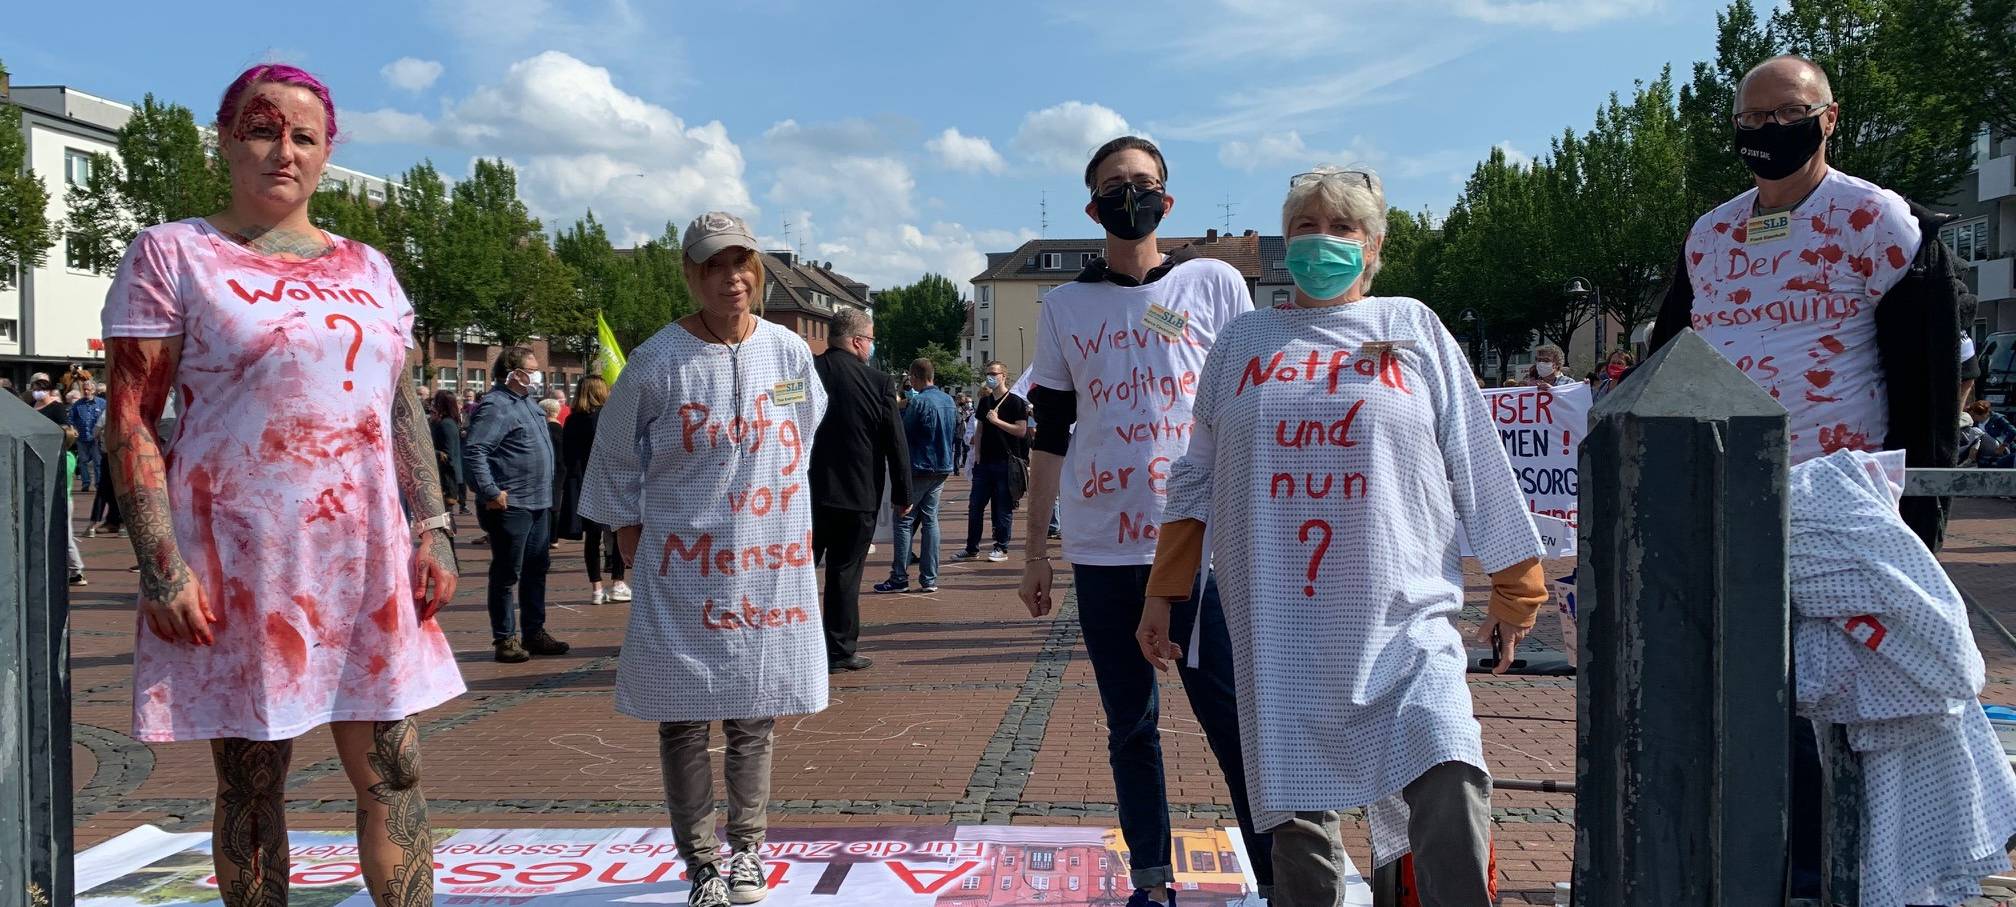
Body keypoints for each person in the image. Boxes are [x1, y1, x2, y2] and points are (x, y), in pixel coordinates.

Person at [100, 63, 462, 905]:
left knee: (395, 773)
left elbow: (399, 401)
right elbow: (130, 418)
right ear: (227, 139)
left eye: (304, 136)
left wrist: (434, 523)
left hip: (365, 560)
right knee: (255, 782)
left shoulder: (369, 267)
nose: (283, 151)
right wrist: (160, 562)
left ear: (329, 151)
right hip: (243, 562)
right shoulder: (173, 253)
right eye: (263, 129)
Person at [1136, 165, 1545, 905]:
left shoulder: (1412, 327)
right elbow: (1194, 475)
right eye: (1304, 228)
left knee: (1450, 773)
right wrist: (1165, 589)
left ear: (1374, 244)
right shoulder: (1241, 342)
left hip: (1403, 616)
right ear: (1280, 245)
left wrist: (1518, 586)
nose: (1321, 242)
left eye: (1341, 228)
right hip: (1281, 621)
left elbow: (1476, 455)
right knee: (1300, 828)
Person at [1649, 54, 1974, 899]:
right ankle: (1768, 864)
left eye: (1784, 114)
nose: (1766, 132)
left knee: (1848, 692)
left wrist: (1922, 512)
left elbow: (1927, 379)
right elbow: (1666, 361)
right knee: (1749, 684)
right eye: (1749, 121)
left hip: (1843, 501)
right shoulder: (1709, 236)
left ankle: (1841, 870)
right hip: (1727, 501)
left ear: (1828, 118)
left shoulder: (1881, 223)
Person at [1016, 136, 1274, 906]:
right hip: (1100, 547)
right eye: (1115, 184)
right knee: (1130, 725)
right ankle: (1152, 880)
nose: (1132, 193)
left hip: (1198, 544)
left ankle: (1277, 875)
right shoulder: (1064, 307)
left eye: (1145, 181)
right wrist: (1037, 551)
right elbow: (1051, 432)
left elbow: (1248, 408)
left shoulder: (1216, 284)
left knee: (1232, 721)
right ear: (1092, 206)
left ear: (1168, 196)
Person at [580, 211, 829, 907]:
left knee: (756, 712)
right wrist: (637, 555)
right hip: (683, 575)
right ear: (691, 275)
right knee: (684, 718)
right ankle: (701, 862)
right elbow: (615, 466)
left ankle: (747, 849)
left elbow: (800, 436)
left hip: (766, 566)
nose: (732, 278)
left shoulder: (789, 354)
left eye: (742, 262)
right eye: (714, 265)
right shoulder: (656, 363)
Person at [809, 307, 910, 672]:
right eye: (870, 339)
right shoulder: (878, 382)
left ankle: (792, 644)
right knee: (845, 574)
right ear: (856, 341)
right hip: (858, 495)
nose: (871, 346)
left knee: (796, 574)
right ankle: (839, 650)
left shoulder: (806, 374)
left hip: (806, 495)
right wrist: (903, 493)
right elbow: (894, 442)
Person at [466, 346, 571, 663]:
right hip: (512, 505)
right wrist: (490, 491)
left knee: (536, 569)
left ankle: (534, 632)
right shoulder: (496, 406)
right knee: (506, 573)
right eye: (531, 368)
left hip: (539, 502)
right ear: (512, 373)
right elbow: (475, 451)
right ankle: (505, 638)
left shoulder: (528, 404)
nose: (537, 374)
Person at [875, 359, 956, 594]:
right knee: (930, 520)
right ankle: (929, 578)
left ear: (914, 376)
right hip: (942, 466)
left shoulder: (919, 402)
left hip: (920, 465)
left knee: (904, 519)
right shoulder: (947, 400)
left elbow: (903, 433)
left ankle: (899, 576)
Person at [561, 375, 631, 604]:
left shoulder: (572, 421)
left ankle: (596, 588)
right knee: (616, 531)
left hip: (582, 484)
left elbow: (568, 457)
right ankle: (618, 582)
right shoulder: (607, 417)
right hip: (608, 482)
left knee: (592, 538)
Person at [952, 360, 1026, 563]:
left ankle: (1001, 547)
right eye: (988, 373)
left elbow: (1021, 431)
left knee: (1003, 507)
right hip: (984, 463)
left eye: (993, 373)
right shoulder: (985, 402)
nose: (990, 377)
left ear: (1003, 375)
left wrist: (998, 421)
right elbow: (980, 428)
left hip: (1006, 462)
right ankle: (971, 548)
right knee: (975, 506)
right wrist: (976, 454)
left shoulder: (1016, 402)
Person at [428, 389, 464, 536]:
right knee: (444, 519)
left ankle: (450, 555)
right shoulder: (444, 422)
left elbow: (447, 456)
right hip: (447, 477)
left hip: (447, 478)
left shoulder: (446, 424)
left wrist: (431, 452)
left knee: (446, 521)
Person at [69, 380, 107, 493]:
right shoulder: (77, 404)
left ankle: (98, 484)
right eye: (84, 389)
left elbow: (106, 419)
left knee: (97, 462)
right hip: (82, 438)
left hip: (96, 439)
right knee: (83, 462)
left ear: (94, 390)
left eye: (88, 389)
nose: (86, 391)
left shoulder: (102, 403)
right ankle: (85, 483)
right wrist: (73, 429)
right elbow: (71, 419)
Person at [540, 397, 566, 547]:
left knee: (552, 504)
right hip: (561, 468)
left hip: (552, 469)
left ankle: (550, 537)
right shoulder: (561, 428)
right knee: (556, 502)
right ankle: (554, 538)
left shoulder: (549, 429)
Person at [1972, 399, 2016, 469]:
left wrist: (2003, 446)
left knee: (1977, 432)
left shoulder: (1997, 418)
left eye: (1975, 415)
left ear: (1983, 414)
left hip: (2000, 448)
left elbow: (2013, 431)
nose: (1974, 417)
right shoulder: (1976, 423)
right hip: (1983, 451)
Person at [952, 392, 973, 472]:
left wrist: (966, 414)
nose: (961, 400)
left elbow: (971, 414)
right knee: (958, 451)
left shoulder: (966, 407)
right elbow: (958, 419)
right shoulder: (954, 407)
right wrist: (963, 415)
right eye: (959, 399)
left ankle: (963, 464)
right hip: (958, 431)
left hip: (965, 430)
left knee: (966, 449)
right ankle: (956, 469)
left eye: (962, 399)